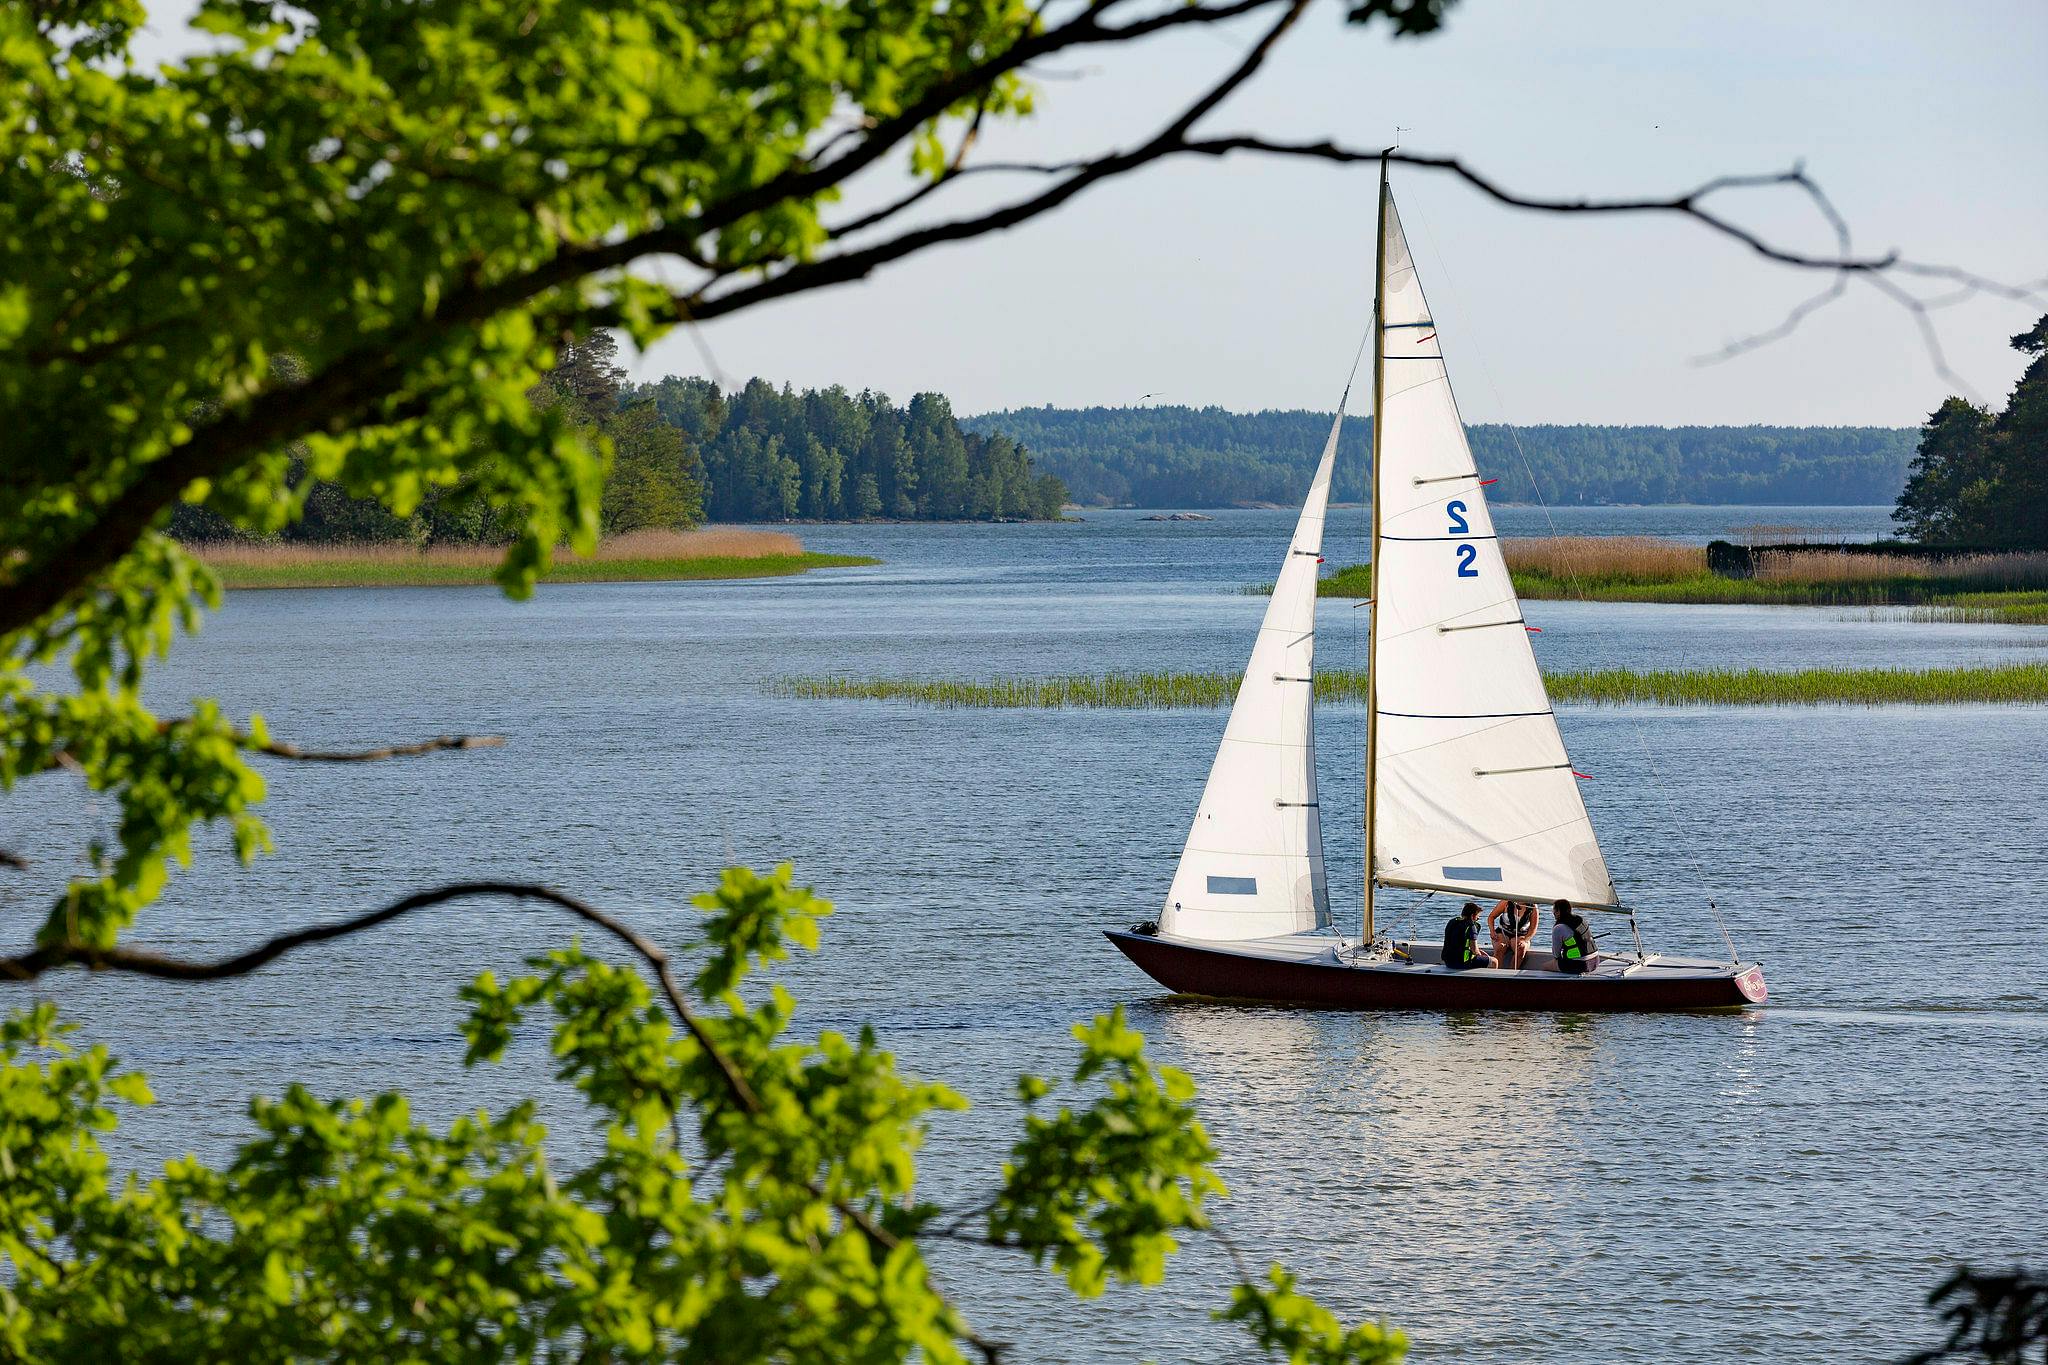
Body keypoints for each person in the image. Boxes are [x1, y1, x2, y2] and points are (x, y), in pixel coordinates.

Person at [1441, 902, 1495, 971]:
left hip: (1448, 962)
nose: (1477, 919)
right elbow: (1474, 950)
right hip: (1463, 963)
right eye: (1477, 917)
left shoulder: (1452, 922)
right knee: (1494, 961)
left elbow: (1459, 944)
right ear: (1472, 916)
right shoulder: (1471, 927)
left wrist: (1479, 951)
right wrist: (1481, 955)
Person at [1489, 898, 1538, 969]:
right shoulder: (1506, 902)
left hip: (1521, 935)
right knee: (1500, 947)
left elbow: (1533, 929)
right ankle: (1495, 973)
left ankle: (1511, 973)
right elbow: (1491, 917)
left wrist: (1525, 940)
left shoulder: (1533, 907)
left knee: (1521, 948)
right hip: (1503, 932)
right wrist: (1492, 931)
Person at [1551, 900, 1598, 975]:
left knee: (1545, 966)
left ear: (1558, 911)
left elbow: (1556, 955)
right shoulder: (1581, 920)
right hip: (1595, 961)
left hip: (1580, 965)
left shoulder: (1558, 928)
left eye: (1554, 910)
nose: (1553, 913)